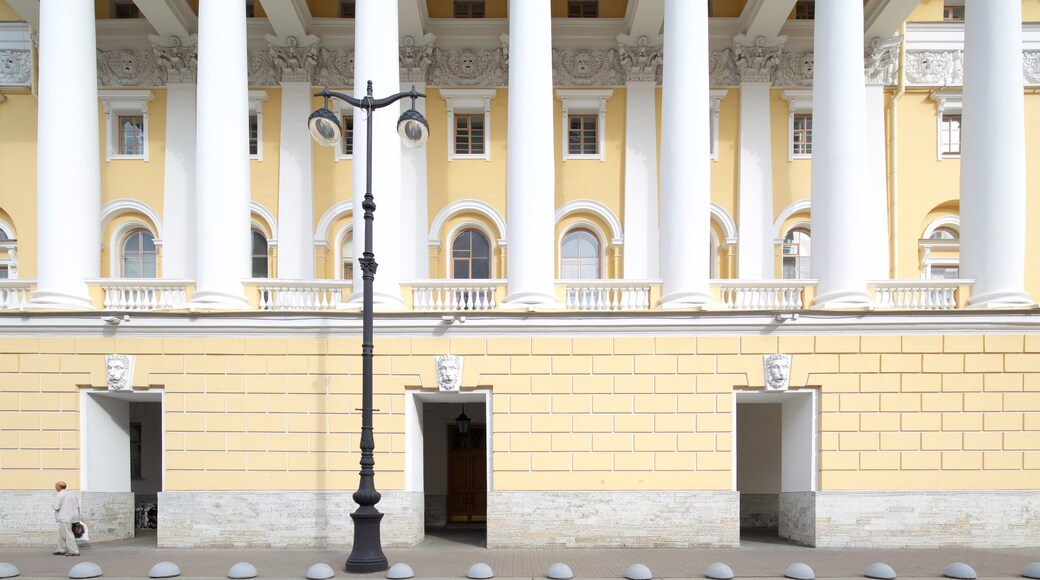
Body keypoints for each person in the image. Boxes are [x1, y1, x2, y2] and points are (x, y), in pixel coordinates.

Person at [52, 481, 80, 556]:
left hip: (64, 517)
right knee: (62, 533)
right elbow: (77, 506)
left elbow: (56, 507)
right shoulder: (73, 494)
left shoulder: (60, 495)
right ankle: (60, 549)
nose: (55, 488)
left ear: (58, 487)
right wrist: (78, 518)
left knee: (67, 534)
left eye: (56, 486)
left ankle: (74, 551)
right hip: (73, 517)